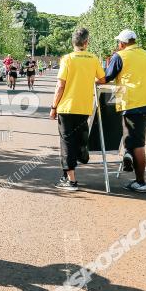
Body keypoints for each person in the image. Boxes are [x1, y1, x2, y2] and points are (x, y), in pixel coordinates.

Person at [104, 29, 146, 194]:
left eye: (119, 43)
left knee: (138, 144)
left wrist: (93, 80)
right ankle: (128, 154)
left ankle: (141, 182)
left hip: (134, 104)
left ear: (122, 44)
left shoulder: (119, 56)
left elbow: (106, 78)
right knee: (135, 138)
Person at [49, 27, 105, 192]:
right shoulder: (93, 59)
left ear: (73, 42)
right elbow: (101, 79)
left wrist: (53, 107)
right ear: (86, 42)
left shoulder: (67, 59)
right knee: (78, 138)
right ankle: (69, 171)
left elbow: (60, 85)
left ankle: (71, 181)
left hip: (66, 107)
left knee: (66, 142)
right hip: (84, 106)